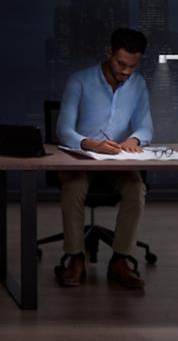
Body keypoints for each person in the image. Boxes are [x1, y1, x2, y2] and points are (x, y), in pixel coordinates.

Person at [54, 27, 154, 289]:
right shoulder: (80, 81)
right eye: (121, 64)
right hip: (82, 158)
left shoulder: (138, 84)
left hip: (117, 161)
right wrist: (90, 144)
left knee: (136, 188)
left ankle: (120, 260)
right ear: (109, 53)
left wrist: (133, 140)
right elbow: (63, 130)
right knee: (74, 186)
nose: (126, 72)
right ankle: (76, 258)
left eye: (133, 66)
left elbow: (146, 127)